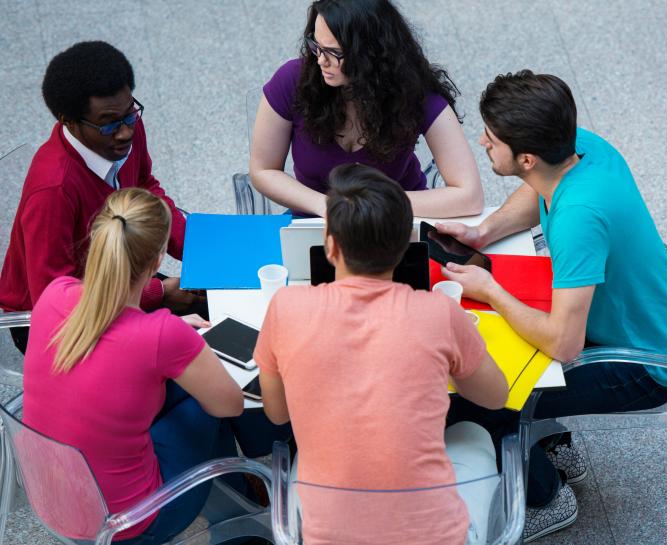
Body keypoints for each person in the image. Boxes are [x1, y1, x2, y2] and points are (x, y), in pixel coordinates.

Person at [439, 71, 667, 542]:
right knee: (503, 355)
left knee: (484, 396)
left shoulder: (579, 219)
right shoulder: (579, 146)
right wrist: (484, 232)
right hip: (639, 316)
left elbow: (564, 343)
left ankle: (549, 495)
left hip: (646, 362)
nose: (481, 142)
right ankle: (556, 443)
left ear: (525, 156)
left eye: (491, 139)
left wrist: (492, 289)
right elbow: (539, 188)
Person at [254, 164, 509, 544]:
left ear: (330, 245)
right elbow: (495, 396)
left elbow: (277, 414)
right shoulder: (440, 313)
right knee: (472, 431)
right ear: (405, 246)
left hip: (325, 536)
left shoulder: (286, 307)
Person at [22, 188, 244, 545]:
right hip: (131, 522)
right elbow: (230, 403)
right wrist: (186, 349)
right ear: (158, 262)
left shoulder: (53, 294)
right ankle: (238, 517)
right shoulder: (162, 335)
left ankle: (238, 500)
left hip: (48, 496)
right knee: (203, 404)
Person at [0, 41, 203, 355]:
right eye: (109, 123)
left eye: (129, 114)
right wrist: (157, 293)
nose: (124, 132)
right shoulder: (53, 192)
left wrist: (200, 253)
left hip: (116, 275)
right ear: (68, 121)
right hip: (56, 321)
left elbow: (145, 187)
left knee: (213, 303)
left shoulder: (125, 127)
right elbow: (56, 299)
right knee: (178, 356)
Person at [249, 0, 483, 219]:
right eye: (316, 45)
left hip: (395, 221)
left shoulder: (414, 93)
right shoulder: (293, 79)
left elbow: (470, 196)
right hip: (316, 218)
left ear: (371, 54)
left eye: (334, 52)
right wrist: (327, 206)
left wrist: (370, 205)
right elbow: (263, 170)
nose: (321, 60)